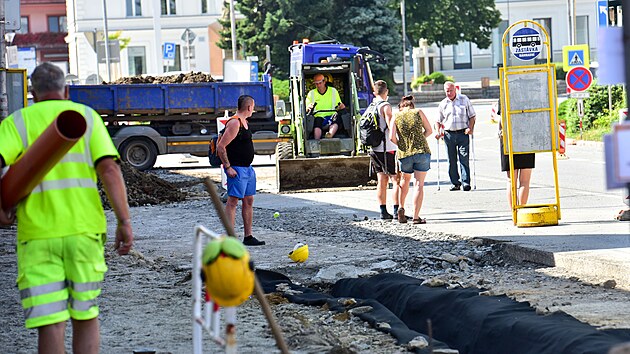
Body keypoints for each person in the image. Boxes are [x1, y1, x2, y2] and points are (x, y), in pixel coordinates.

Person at [0, 62, 133, 354]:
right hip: (84, 233)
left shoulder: (17, 122)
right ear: (66, 90)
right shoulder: (86, 117)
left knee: (51, 323)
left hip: (38, 236)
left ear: (32, 92)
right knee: (85, 316)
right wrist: (124, 221)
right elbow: (109, 169)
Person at [216, 95, 265, 246]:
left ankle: (248, 237)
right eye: (253, 107)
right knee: (232, 202)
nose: (254, 110)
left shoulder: (245, 122)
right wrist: (228, 167)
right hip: (236, 169)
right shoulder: (235, 123)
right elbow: (220, 146)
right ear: (249, 107)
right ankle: (230, 238)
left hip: (248, 169)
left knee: (249, 200)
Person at [390, 95, 433, 224]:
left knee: (404, 180)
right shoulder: (418, 112)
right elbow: (429, 130)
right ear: (411, 105)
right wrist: (420, 140)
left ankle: (401, 208)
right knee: (419, 184)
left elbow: (391, 137)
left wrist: (402, 145)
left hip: (405, 155)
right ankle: (416, 217)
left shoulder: (396, 116)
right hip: (422, 152)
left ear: (401, 106)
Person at [368, 80, 400, 220]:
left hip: (374, 147)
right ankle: (397, 210)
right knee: (395, 179)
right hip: (387, 147)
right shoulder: (386, 106)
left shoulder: (372, 105)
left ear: (375, 92)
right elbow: (390, 126)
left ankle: (383, 211)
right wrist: (398, 141)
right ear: (386, 92)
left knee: (381, 179)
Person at [495, 99, 535, 208]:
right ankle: (521, 210)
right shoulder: (530, 94)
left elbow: (501, 118)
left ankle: (514, 212)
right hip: (527, 138)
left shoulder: (504, 92)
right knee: (525, 181)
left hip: (509, 140)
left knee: (511, 180)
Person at [437, 81, 476, 191]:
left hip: (463, 133)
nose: (449, 93)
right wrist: (438, 131)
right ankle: (455, 183)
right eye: (447, 91)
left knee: (464, 158)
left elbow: (472, 116)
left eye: (451, 90)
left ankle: (466, 182)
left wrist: (470, 128)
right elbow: (438, 120)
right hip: (448, 134)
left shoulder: (464, 99)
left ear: (455, 90)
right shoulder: (443, 103)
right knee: (451, 160)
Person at [305, 73, 346, 140]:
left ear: (324, 82)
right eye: (316, 84)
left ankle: (329, 135)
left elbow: (338, 105)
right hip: (318, 117)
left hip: (331, 115)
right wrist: (309, 107)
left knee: (336, 118)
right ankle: (317, 140)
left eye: (320, 83)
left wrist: (341, 107)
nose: (318, 85)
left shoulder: (333, 91)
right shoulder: (311, 93)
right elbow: (306, 109)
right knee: (317, 121)